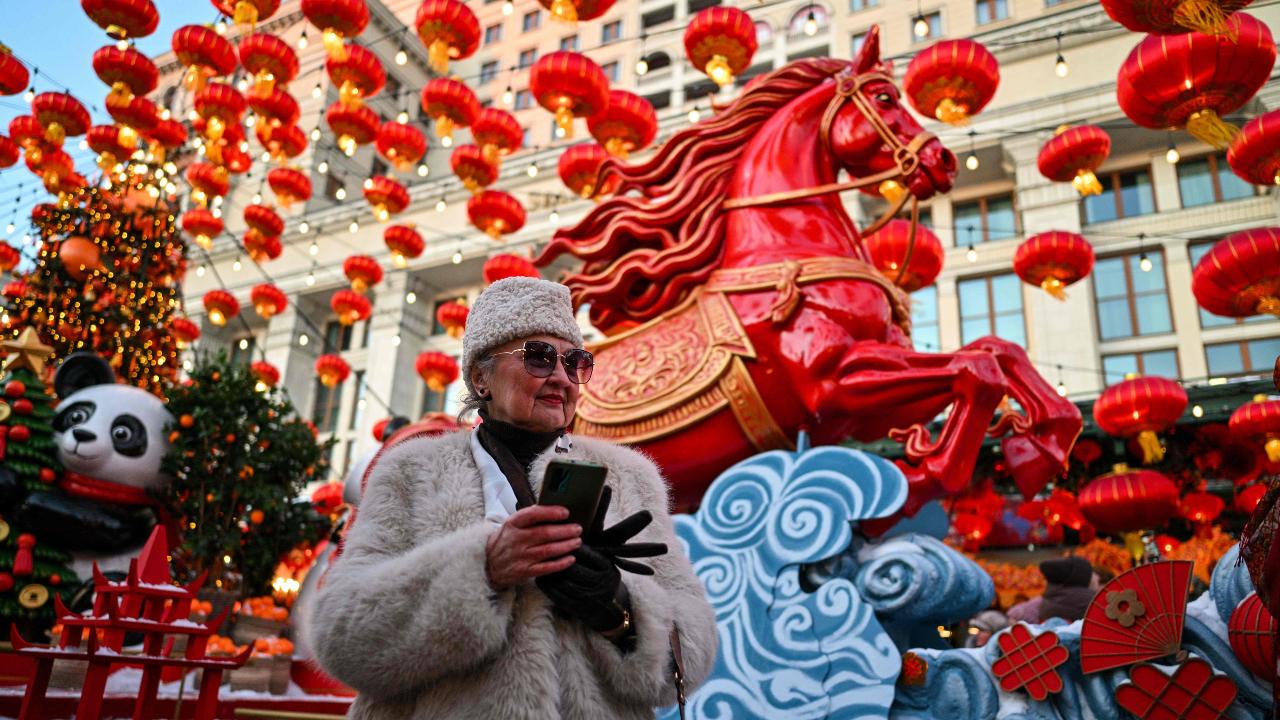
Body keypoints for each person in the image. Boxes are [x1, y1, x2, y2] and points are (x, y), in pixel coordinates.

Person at [306, 277, 717, 719]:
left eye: (574, 362)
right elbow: (341, 636)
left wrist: (616, 606)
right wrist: (482, 569)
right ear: (482, 377)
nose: (561, 377)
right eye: (538, 358)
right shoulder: (411, 470)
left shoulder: (630, 478)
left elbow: (693, 650)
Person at [1037, 556, 1098, 623]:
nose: (1097, 577)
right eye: (1092, 572)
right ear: (1081, 577)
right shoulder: (1090, 599)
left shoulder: (1050, 596)